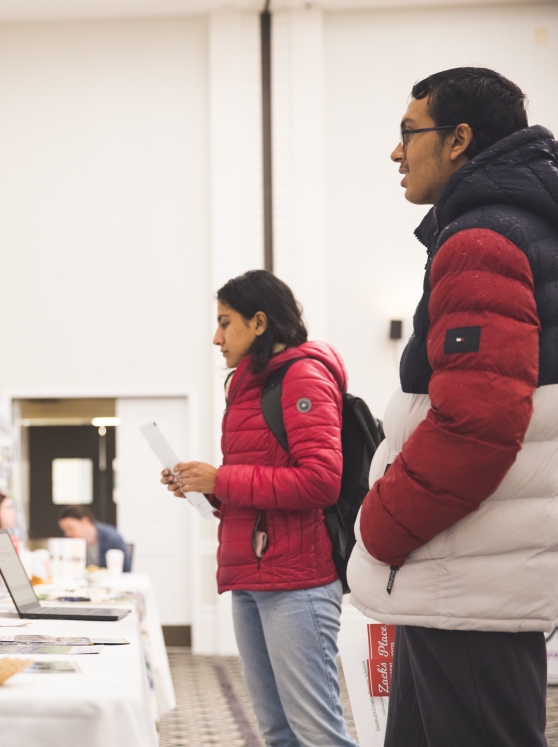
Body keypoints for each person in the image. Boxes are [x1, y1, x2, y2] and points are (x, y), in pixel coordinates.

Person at [347, 68, 558, 747]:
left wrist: (380, 523)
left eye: (408, 134)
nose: (397, 153)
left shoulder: (483, 239)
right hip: (471, 569)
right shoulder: (520, 230)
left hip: (468, 576)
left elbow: (477, 424)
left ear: (459, 141)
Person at [161, 270, 355, 747]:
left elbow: (320, 482)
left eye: (226, 322)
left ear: (260, 322)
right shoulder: (246, 385)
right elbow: (261, 482)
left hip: (298, 582)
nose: (216, 336)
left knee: (317, 732)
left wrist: (221, 478)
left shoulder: (301, 376)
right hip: (253, 574)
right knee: (277, 731)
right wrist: (203, 487)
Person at [57, 506, 131, 572]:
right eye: (64, 530)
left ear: (84, 521)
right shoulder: (69, 540)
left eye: (70, 528)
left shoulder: (111, 537)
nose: (68, 533)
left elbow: (126, 570)